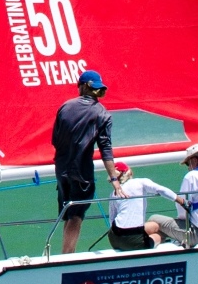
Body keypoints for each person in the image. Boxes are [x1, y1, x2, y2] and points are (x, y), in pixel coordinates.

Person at [51, 70, 116, 253]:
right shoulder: (102, 114)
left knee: (67, 212)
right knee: (76, 215)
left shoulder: (65, 106)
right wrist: (114, 179)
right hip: (82, 171)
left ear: (82, 86)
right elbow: (106, 149)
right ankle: (67, 256)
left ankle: (66, 252)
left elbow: (55, 140)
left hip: (61, 169)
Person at [104, 161, 180, 250]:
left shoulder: (114, 193)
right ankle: (164, 241)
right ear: (129, 172)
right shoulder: (140, 182)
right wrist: (181, 201)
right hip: (133, 243)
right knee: (158, 235)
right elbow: (161, 190)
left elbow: (112, 218)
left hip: (114, 239)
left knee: (155, 225)